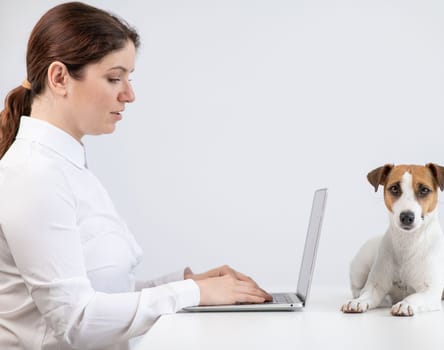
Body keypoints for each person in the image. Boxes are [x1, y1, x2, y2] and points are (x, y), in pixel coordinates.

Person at [0, 2, 271, 349]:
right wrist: (193, 292)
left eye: (129, 78)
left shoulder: (66, 167)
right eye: (114, 78)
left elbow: (102, 296)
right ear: (59, 77)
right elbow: (76, 320)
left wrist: (187, 283)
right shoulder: (33, 175)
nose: (129, 94)